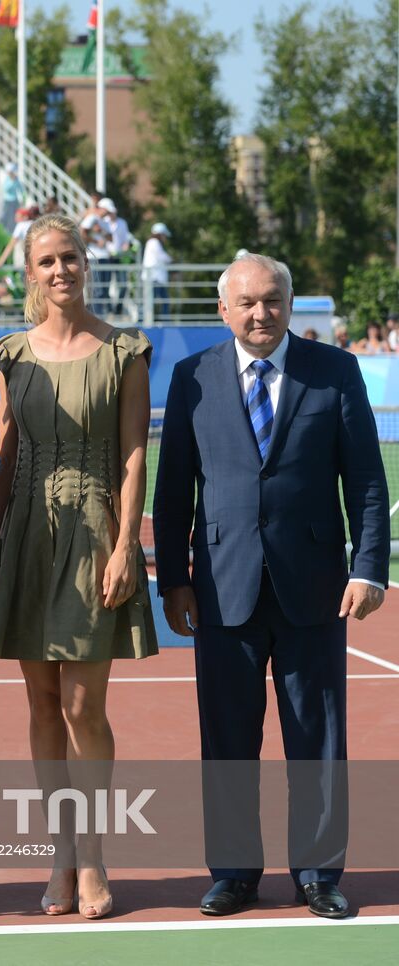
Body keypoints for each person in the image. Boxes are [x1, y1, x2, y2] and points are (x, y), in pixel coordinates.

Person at [154, 252, 389, 921]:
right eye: (248, 302)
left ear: (289, 304)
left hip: (314, 587)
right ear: (224, 309)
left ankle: (319, 874)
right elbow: (172, 495)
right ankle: (233, 873)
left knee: (316, 736)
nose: (262, 314)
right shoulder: (191, 376)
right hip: (222, 589)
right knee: (227, 739)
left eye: (274, 300)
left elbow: (367, 482)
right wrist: (174, 580)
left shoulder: (334, 372)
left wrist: (368, 567)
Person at [0, 213, 157, 921]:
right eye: (47, 261)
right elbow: (6, 455)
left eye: (71, 258)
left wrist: (125, 545)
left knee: (86, 706)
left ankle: (94, 857)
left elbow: (136, 454)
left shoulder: (125, 352)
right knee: (42, 705)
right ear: (30, 272)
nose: (61, 271)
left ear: (88, 264)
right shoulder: (11, 356)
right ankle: (60, 855)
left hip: (94, 532)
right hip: (26, 534)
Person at [142, 222, 173, 318]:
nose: (165, 238)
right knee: (162, 301)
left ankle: (160, 320)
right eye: (164, 235)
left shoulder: (152, 242)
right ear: (161, 234)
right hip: (154, 278)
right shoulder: (153, 242)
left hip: (155, 278)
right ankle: (163, 321)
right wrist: (172, 260)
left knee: (159, 301)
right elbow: (162, 257)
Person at [0, 163, 25, 232]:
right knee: (4, 216)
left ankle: (11, 231)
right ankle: (2, 230)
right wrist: (12, 181)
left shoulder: (16, 180)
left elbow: (22, 190)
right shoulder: (7, 179)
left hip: (15, 201)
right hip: (7, 201)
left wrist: (23, 200)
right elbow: (6, 189)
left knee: (13, 218)